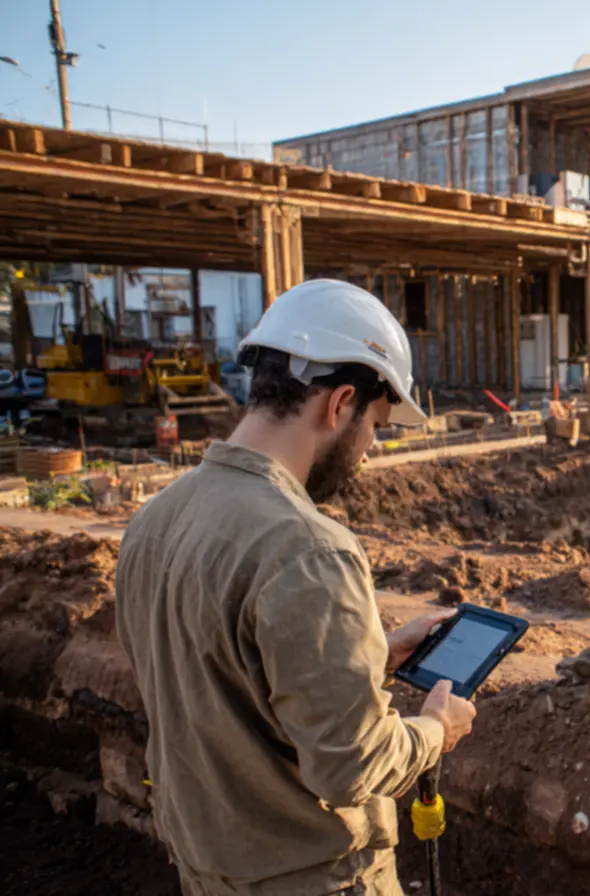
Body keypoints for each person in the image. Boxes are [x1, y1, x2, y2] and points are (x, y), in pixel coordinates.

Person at [116, 279, 477, 895]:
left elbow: (227, 678)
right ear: (339, 405)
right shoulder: (309, 548)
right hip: (309, 877)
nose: (368, 450)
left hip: (208, 865)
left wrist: (375, 657)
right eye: (376, 425)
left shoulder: (158, 517)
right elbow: (351, 766)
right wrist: (436, 730)